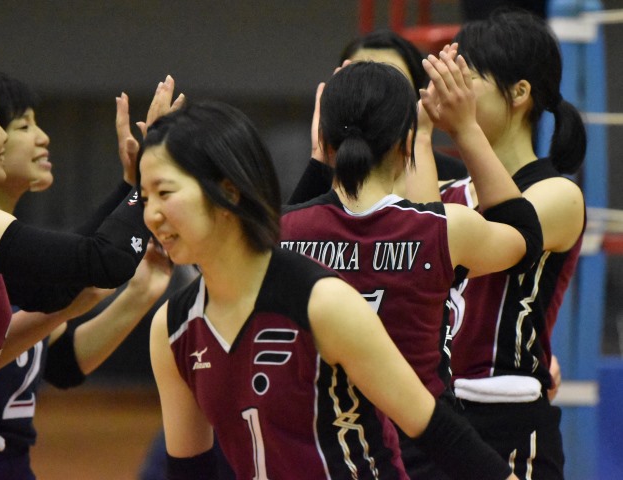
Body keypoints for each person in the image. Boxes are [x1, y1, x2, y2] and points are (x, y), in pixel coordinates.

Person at [144, 100, 520, 479]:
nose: (151, 215)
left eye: (164, 192)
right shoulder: (171, 328)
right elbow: (190, 472)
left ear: (228, 192)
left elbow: (439, 431)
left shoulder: (323, 303)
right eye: (145, 198)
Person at [280, 60, 542, 479]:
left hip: (320, 455)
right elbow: (525, 237)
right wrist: (463, 129)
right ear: (405, 144)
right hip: (427, 453)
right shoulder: (444, 229)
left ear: (324, 141)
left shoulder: (279, 233)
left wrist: (319, 160)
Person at [0, 60, 148, 479]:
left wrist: (132, 191)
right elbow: (103, 261)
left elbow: (56, 292)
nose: (3, 138)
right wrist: (146, 185)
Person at [0, 70, 175, 480]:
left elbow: (62, 363)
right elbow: (92, 261)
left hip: (10, 464)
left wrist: (140, 293)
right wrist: (142, 182)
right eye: (24, 126)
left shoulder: (15, 248)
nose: (43, 137)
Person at [424, 10, 586, 479]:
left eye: (467, 77)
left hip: (509, 421)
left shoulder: (558, 194)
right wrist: (417, 131)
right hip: (440, 416)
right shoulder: (448, 193)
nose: (453, 89)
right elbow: (415, 255)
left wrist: (464, 130)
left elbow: (491, 242)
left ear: (519, 93)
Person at [288, 28, 466, 205]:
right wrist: (319, 160)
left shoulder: (456, 178)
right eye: (360, 83)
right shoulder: (320, 175)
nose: (374, 97)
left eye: (391, 84)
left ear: (420, 97)